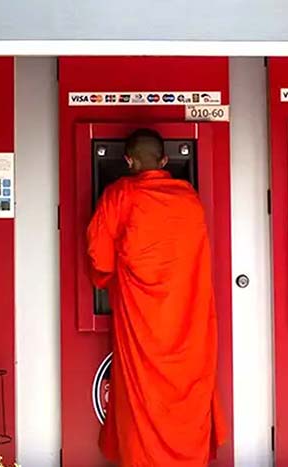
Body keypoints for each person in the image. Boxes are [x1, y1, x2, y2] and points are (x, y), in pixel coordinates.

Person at [87, 128, 226, 467]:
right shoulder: (189, 198)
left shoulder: (118, 196)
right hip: (187, 319)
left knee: (141, 400)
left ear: (128, 160)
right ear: (165, 161)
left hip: (140, 320)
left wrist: (110, 280)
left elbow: (99, 258)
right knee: (186, 393)